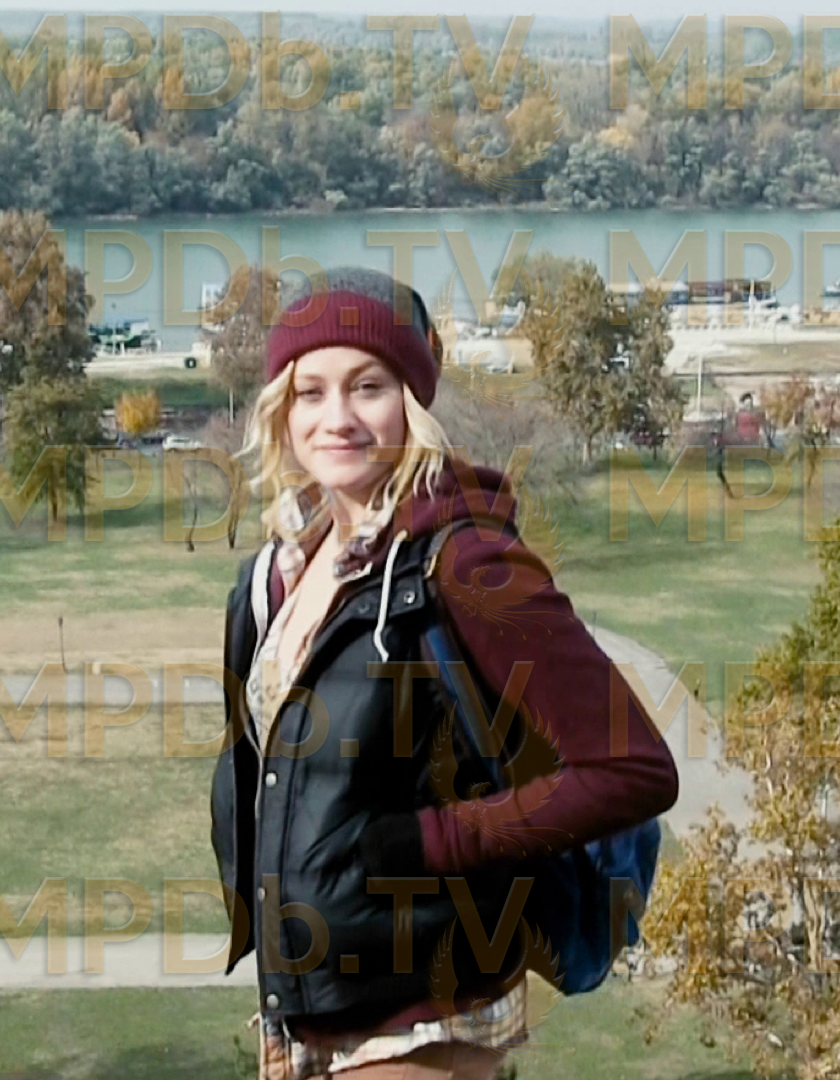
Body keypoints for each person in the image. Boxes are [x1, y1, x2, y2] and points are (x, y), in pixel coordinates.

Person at [212, 266, 682, 1080]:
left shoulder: (467, 561)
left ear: (412, 401)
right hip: (307, 1013)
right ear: (282, 409)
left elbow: (633, 770)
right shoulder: (281, 573)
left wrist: (431, 840)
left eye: (368, 387)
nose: (337, 417)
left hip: (423, 1020)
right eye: (311, 391)